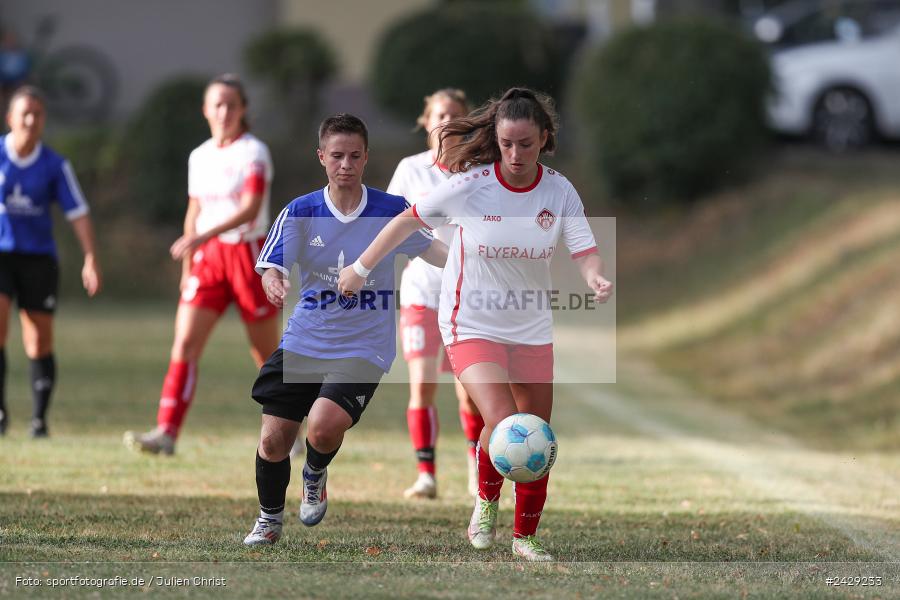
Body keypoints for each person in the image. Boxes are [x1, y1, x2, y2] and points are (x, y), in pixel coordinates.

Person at [338, 87, 614, 561]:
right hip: (470, 322)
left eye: (526, 144)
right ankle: (486, 503)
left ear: (544, 139)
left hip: (530, 327)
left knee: (538, 435)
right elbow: (407, 221)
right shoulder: (474, 185)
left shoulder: (559, 190)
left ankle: (525, 538)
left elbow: (582, 244)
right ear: (496, 139)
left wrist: (594, 276)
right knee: (506, 423)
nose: (515, 154)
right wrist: (360, 268)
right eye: (507, 143)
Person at [242, 113, 448, 546]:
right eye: (337, 156)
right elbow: (271, 266)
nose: (346, 165)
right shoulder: (301, 211)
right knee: (274, 438)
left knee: (321, 425)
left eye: (355, 156)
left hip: (364, 344)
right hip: (305, 339)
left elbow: (433, 250)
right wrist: (274, 280)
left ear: (366, 157)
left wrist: (478, 261)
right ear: (321, 157)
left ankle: (315, 471)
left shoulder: (391, 212)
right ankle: (269, 520)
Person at [124, 74, 279, 455]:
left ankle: (286, 428)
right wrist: (188, 266)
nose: (224, 111)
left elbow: (251, 209)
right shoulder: (200, 155)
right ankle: (167, 433)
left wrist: (201, 236)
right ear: (206, 110)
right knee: (184, 345)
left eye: (231, 104)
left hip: (249, 256)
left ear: (243, 110)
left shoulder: (253, 152)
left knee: (265, 354)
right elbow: (194, 210)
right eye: (217, 104)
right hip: (209, 260)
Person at [387, 88, 484, 499]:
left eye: (454, 115)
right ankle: (426, 474)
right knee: (422, 384)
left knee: (471, 392)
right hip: (421, 293)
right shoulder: (410, 169)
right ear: (426, 121)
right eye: (438, 114)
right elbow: (393, 221)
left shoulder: (480, 170)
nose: (445, 121)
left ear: (465, 122)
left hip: (469, 296)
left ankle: (475, 467)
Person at [0, 85, 101, 437]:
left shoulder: (55, 165)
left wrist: (89, 257)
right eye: (23, 113)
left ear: (43, 120)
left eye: (37, 114)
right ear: (10, 117)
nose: (30, 119)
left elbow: (78, 212)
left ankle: (39, 420)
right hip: (1, 256)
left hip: (39, 259)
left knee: (39, 340)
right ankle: (0, 414)